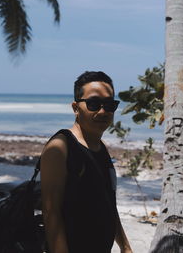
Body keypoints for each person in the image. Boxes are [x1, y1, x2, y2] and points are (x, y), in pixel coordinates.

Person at [41, 71, 133, 253]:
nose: (103, 111)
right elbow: (51, 214)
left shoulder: (101, 147)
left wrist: (125, 246)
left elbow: (108, 204)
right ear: (76, 108)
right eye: (93, 104)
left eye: (109, 105)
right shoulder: (60, 147)